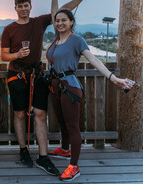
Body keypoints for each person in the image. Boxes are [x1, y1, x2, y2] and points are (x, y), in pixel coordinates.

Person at [0, 0, 96, 176]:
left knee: (40, 115)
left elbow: (63, 10)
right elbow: (3, 55)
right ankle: (23, 150)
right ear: (15, 8)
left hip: (37, 75)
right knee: (19, 114)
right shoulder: (9, 29)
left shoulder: (40, 22)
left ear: (31, 6)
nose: (24, 8)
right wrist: (17, 55)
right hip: (16, 75)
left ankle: (43, 157)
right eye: (20, 6)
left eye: (26, 5)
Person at [46, 9, 134, 181]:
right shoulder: (56, 40)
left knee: (73, 126)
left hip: (68, 87)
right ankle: (65, 150)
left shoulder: (77, 40)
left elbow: (93, 60)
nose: (60, 23)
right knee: (62, 121)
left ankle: (74, 166)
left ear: (71, 22)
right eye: (57, 21)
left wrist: (113, 78)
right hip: (55, 86)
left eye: (64, 20)